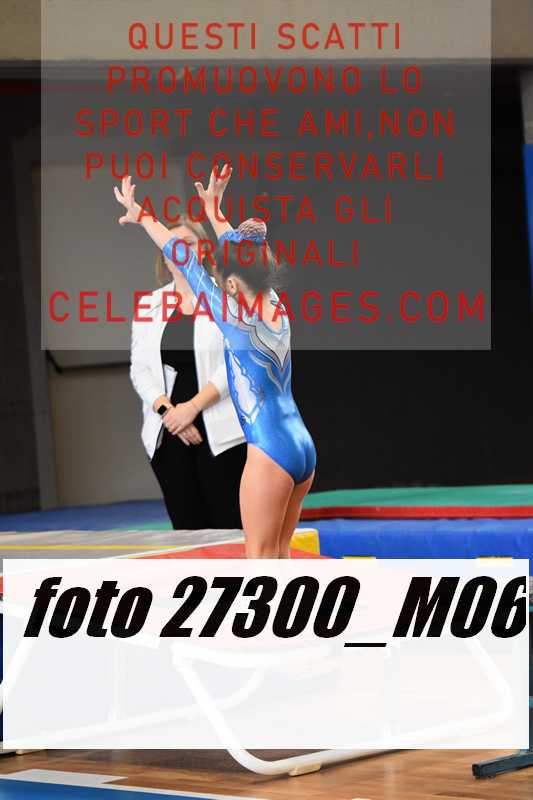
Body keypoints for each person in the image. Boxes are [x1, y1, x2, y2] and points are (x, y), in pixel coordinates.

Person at [115, 169, 316, 557]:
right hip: (301, 444)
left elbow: (184, 259)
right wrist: (215, 212)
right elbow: (238, 256)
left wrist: (143, 216)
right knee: (281, 555)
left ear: (231, 285)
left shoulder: (234, 319)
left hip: (269, 449)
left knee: (259, 560)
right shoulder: (275, 305)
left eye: (223, 280)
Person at [130, 216, 247, 530]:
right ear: (164, 257)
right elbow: (140, 369)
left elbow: (235, 362)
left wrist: (192, 408)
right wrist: (170, 414)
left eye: (189, 244)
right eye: (172, 246)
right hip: (169, 432)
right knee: (186, 529)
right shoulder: (150, 305)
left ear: (204, 250)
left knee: (230, 528)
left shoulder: (226, 298)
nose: (180, 251)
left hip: (222, 430)